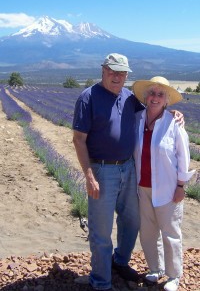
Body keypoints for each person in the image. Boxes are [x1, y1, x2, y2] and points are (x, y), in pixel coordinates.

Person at [73, 53, 183, 291]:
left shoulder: (129, 97)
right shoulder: (88, 97)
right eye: (112, 71)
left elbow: (153, 110)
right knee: (101, 230)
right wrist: (89, 175)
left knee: (131, 221)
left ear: (126, 76)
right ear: (103, 70)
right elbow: (79, 140)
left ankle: (120, 261)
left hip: (129, 168)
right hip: (102, 170)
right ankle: (101, 281)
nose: (116, 77)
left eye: (121, 73)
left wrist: (173, 114)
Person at [132, 76, 195, 291]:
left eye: (160, 94)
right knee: (148, 231)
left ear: (167, 100)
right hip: (143, 188)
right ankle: (155, 268)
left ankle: (174, 275)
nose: (155, 98)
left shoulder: (174, 124)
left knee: (170, 233)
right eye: (152, 93)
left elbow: (183, 158)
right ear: (145, 97)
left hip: (168, 190)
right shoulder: (137, 119)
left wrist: (180, 186)